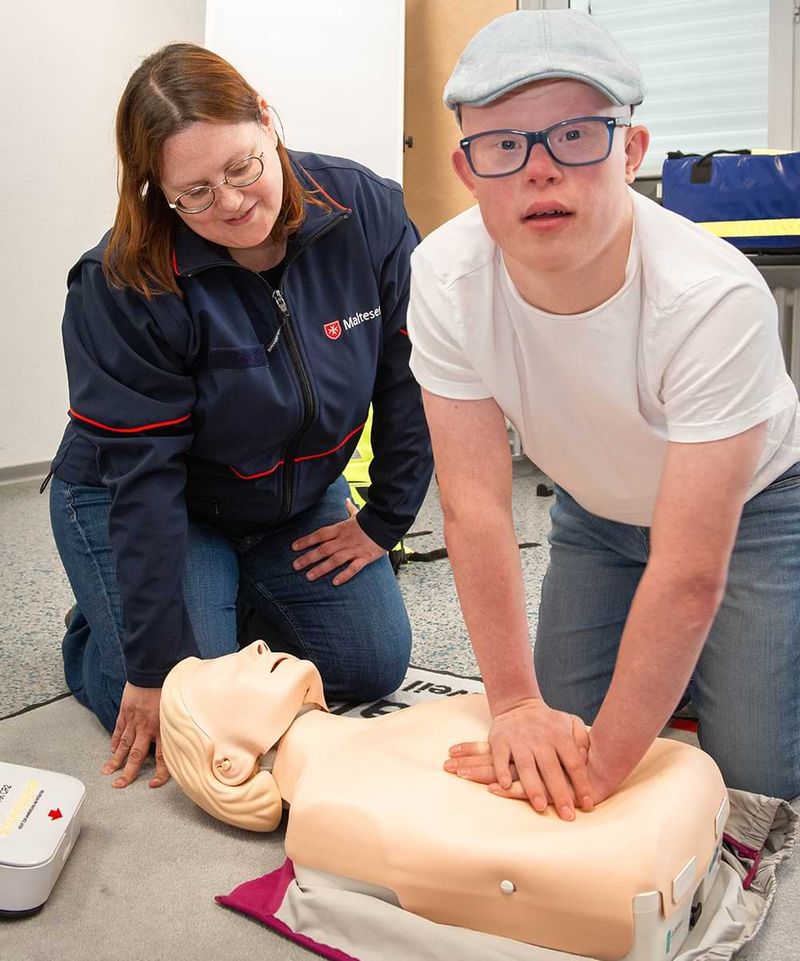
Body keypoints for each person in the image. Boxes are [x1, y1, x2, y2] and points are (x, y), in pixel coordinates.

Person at [406, 9, 800, 819]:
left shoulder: (712, 296)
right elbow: (475, 506)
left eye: (575, 135)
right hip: (597, 513)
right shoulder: (443, 276)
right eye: (504, 145)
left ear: (630, 149)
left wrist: (600, 774)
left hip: (756, 512)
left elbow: (691, 572)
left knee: (755, 788)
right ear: (468, 167)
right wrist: (514, 703)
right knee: (554, 729)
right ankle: (695, 661)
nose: (539, 171)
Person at [48, 42, 432, 791]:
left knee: (371, 664)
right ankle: (102, 636)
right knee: (196, 726)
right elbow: (146, 478)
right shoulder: (123, 280)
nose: (228, 203)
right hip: (151, 500)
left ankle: (218, 597)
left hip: (292, 494)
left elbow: (411, 377)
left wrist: (384, 519)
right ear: (156, 189)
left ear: (266, 119)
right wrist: (155, 669)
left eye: (242, 167)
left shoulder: (367, 210)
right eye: (192, 192)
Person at [159, 641, 728, 961]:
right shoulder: (327, 812)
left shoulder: (431, 717)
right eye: (221, 669)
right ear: (227, 766)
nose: (253, 645)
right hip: (643, 860)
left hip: (659, 836)